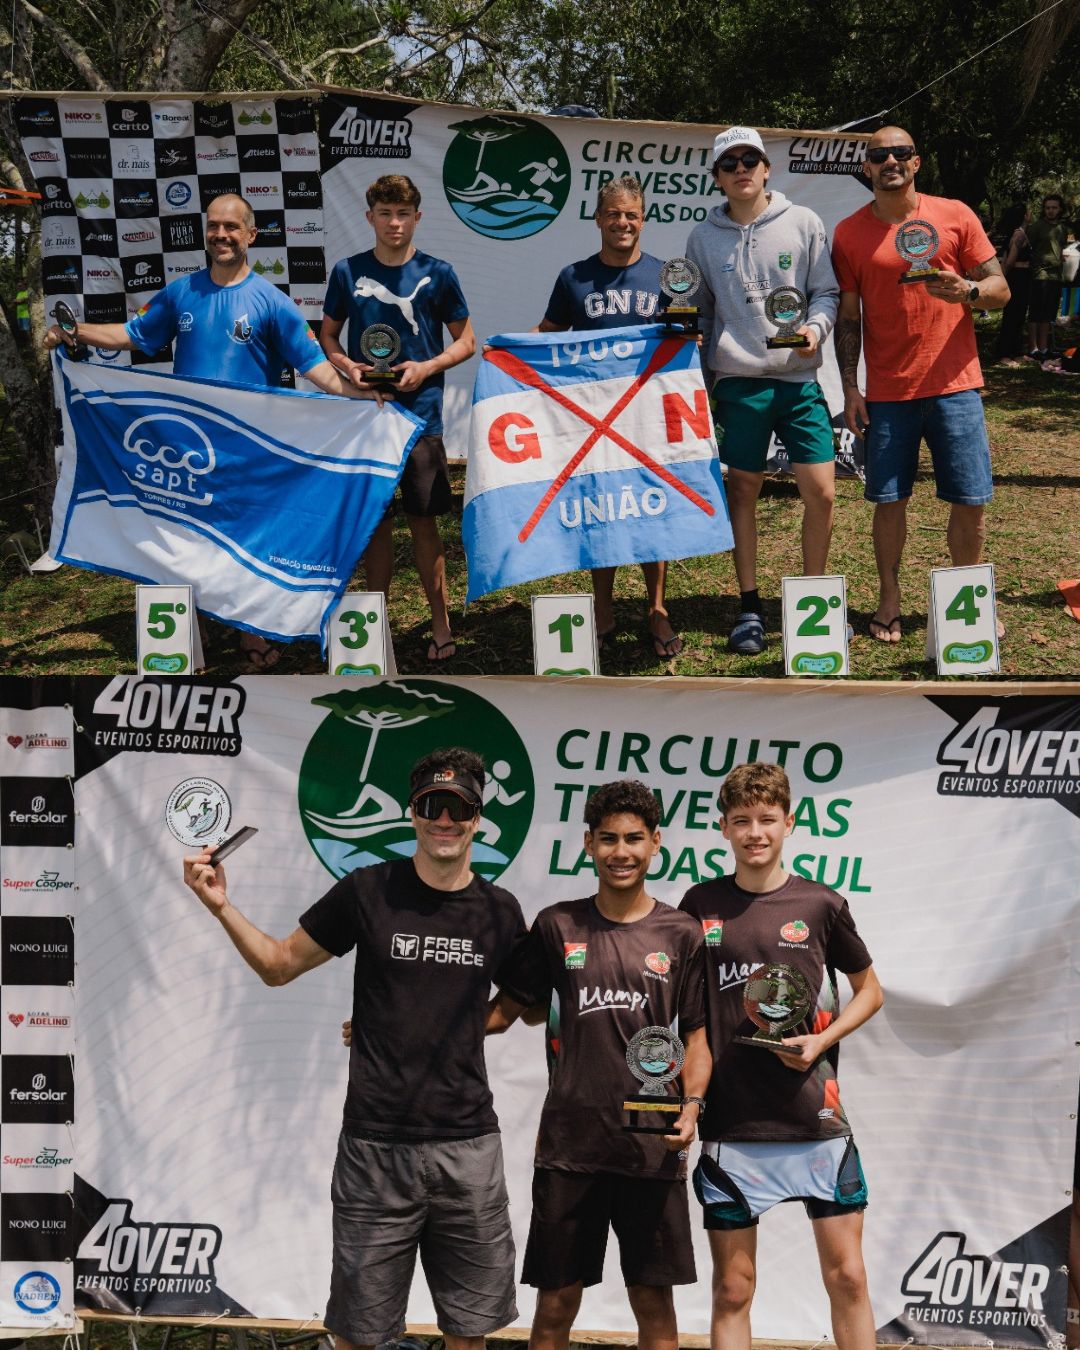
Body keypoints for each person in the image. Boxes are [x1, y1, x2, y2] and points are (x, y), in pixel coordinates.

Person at [183, 747, 524, 1350]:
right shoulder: (369, 890)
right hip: (374, 1148)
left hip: (468, 1148)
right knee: (359, 1334)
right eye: (432, 806)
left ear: (477, 818)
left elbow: (521, 1001)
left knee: (471, 1333)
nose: (445, 820)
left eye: (459, 808)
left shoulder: (500, 910)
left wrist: (443, 1027)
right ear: (412, 811)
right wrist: (220, 906)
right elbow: (279, 965)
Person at [43, 192, 369, 668]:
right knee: (185, 538)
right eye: (214, 226)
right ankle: (188, 635)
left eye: (231, 227)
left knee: (248, 542)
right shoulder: (182, 293)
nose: (221, 235)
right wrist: (75, 332)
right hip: (188, 449)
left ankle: (251, 634)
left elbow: (315, 368)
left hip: (247, 451)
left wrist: (363, 397)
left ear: (251, 235)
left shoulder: (273, 302)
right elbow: (132, 336)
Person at [488, 779, 711, 1350]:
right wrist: (395, 1024)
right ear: (588, 843)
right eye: (608, 838)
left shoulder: (681, 933)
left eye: (634, 838)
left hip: (652, 1144)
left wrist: (691, 1106)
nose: (621, 851)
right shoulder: (557, 925)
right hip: (572, 1147)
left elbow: (697, 1038)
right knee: (555, 1306)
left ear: (655, 842)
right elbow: (502, 1014)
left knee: (653, 1304)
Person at [679, 762, 883, 1350]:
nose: (755, 832)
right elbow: (685, 1012)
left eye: (767, 819)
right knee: (732, 1290)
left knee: (848, 1278)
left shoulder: (821, 903)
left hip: (814, 1120)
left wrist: (821, 1041)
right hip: (733, 1124)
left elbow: (870, 991)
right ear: (723, 827)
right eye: (742, 820)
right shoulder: (699, 903)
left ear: (789, 823)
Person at [831, 126, 1009, 643]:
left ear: (916, 162)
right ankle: (889, 598)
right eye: (878, 154)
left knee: (970, 499)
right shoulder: (848, 233)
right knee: (889, 501)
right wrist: (850, 388)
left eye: (900, 152)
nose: (890, 160)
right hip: (889, 393)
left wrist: (968, 289)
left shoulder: (955, 214)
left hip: (956, 385)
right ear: (866, 167)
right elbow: (848, 318)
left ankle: (966, 602)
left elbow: (1000, 288)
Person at [686, 127, 839, 656]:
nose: (741, 170)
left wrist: (815, 329)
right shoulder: (702, 238)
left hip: (798, 379)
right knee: (743, 492)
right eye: (729, 164)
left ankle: (811, 603)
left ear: (767, 169)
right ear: (717, 177)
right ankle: (749, 605)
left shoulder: (803, 222)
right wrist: (698, 377)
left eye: (750, 160)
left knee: (822, 492)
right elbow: (700, 312)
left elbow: (826, 292)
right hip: (739, 381)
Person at [320, 174, 476, 663]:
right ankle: (373, 625)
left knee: (424, 524)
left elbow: (468, 342)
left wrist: (426, 368)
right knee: (375, 525)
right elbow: (327, 336)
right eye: (385, 214)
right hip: (367, 418)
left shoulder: (439, 272)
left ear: (417, 218)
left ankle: (440, 620)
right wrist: (348, 367)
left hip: (421, 419)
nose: (394, 223)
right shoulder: (348, 271)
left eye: (403, 214)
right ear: (370, 218)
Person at [535, 175, 684, 661]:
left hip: (648, 416)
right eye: (614, 214)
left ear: (644, 220)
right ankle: (603, 608)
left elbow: (684, 337)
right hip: (594, 418)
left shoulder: (667, 276)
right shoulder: (573, 278)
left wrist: (691, 340)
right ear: (598, 218)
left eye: (631, 215)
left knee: (652, 508)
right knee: (600, 509)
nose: (623, 222)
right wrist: (507, 352)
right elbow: (549, 334)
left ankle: (657, 608)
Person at [1025, 194, 1069, 362]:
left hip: (1056, 275)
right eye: (1047, 207)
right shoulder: (1037, 227)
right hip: (1040, 274)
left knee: (1048, 313)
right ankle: (1033, 348)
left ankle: (1043, 348)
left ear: (1060, 209)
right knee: (1036, 311)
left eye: (1054, 207)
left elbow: (1060, 249)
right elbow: (1027, 248)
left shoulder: (1062, 228)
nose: (1050, 211)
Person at [993, 203, 1032, 366]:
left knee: (1019, 316)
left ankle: (1016, 352)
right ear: (1025, 216)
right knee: (1012, 316)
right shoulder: (1019, 235)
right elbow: (1009, 261)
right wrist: (1002, 279)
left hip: (1022, 278)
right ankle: (1004, 354)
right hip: (1017, 279)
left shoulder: (1020, 233)